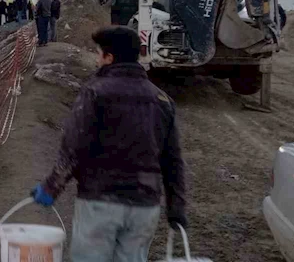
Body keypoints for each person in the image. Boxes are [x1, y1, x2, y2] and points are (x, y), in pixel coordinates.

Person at [32, 27, 186, 262]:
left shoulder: (96, 92)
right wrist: (176, 208)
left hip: (100, 202)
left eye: (99, 54)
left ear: (110, 58)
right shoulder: (162, 100)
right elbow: (173, 160)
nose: (96, 60)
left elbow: (74, 148)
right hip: (145, 207)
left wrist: (52, 187)